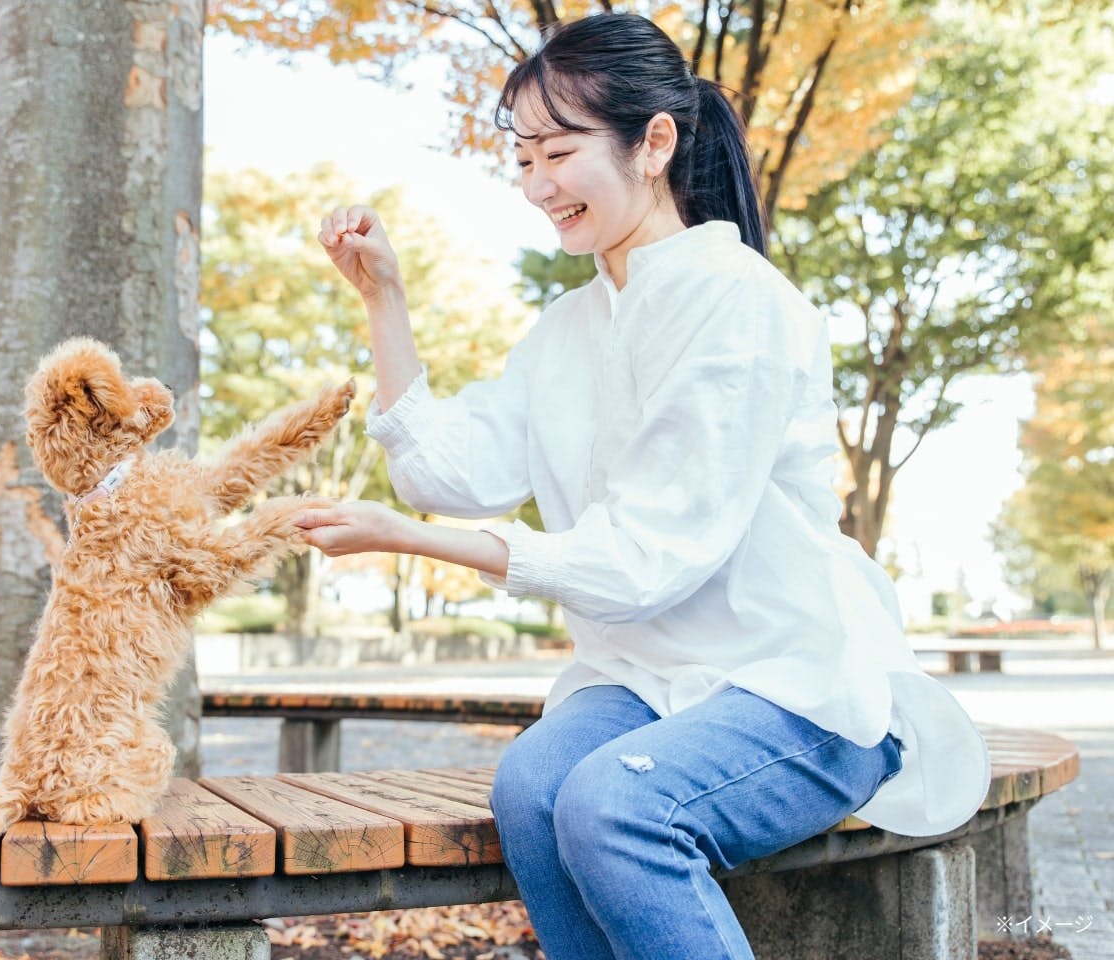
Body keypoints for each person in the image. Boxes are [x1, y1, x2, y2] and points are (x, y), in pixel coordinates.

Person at [296, 12, 989, 960]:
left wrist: (403, 539)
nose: (538, 184)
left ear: (654, 142)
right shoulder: (567, 330)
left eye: (561, 151)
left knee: (615, 804)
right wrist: (384, 299)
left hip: (797, 685)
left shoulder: (738, 302)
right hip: (650, 682)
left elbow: (642, 560)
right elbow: (444, 473)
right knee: (534, 786)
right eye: (524, 155)